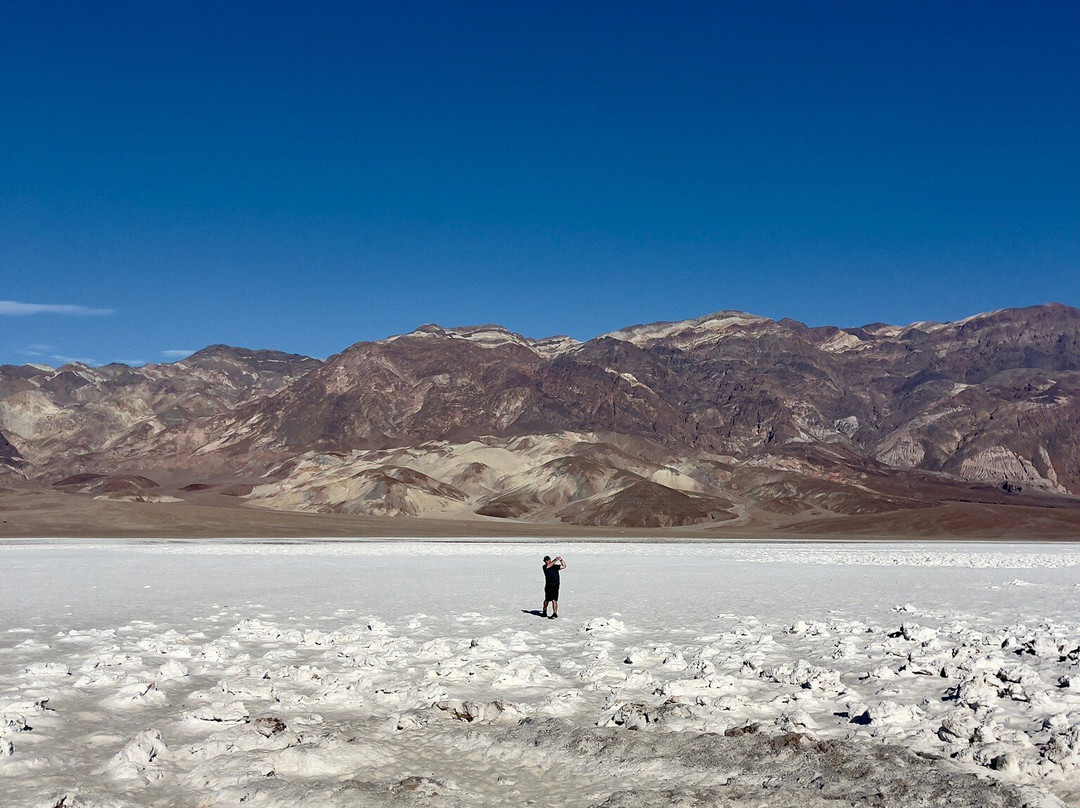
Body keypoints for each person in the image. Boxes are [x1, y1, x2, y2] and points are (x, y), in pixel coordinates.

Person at [542, 555, 567, 619]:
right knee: (547, 600)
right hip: (548, 585)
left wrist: (561, 560)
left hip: (555, 585)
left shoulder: (555, 566)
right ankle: (544, 610)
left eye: (548, 560)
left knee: (554, 599)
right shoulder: (545, 567)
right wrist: (555, 560)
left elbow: (564, 566)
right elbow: (548, 566)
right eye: (546, 560)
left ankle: (555, 613)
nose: (547, 561)